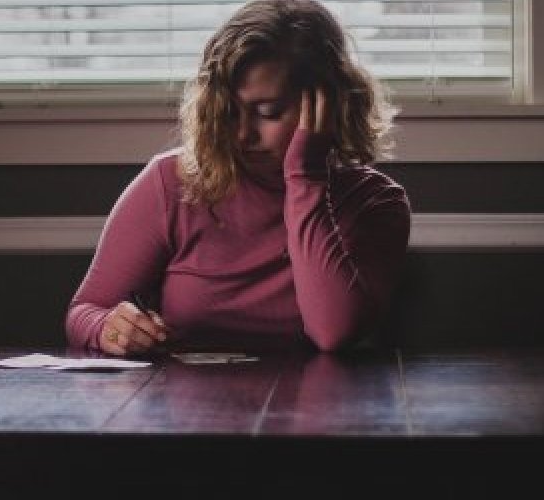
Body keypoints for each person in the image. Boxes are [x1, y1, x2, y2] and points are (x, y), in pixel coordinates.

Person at [65, 0, 410, 356]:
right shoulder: (171, 182)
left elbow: (333, 333)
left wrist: (305, 178)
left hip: (313, 406)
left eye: (268, 112)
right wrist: (110, 328)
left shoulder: (375, 201)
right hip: (184, 406)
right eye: (229, 112)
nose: (243, 134)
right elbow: (83, 312)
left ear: (328, 104)